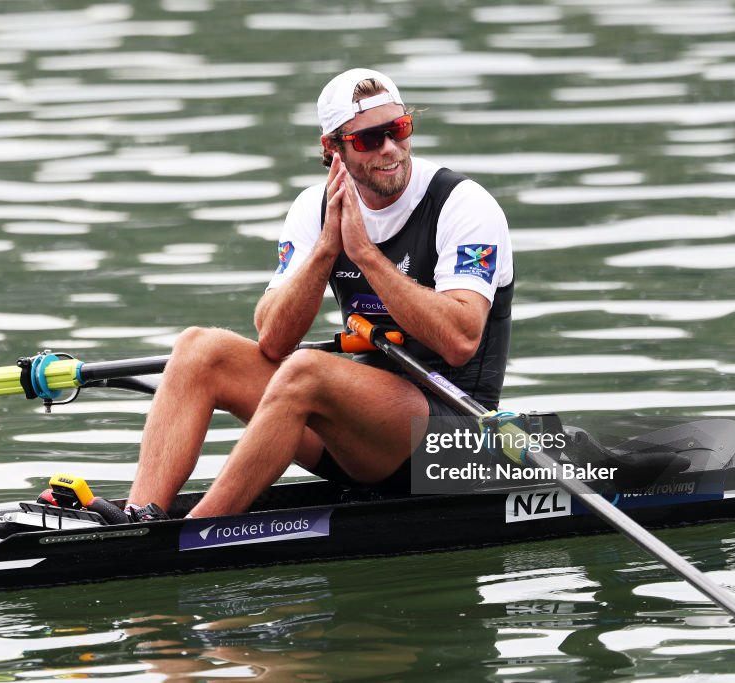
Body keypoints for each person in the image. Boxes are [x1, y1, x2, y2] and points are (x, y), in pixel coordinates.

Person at [124, 67, 514, 520]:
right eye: (369, 139)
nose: (390, 149)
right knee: (198, 348)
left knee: (308, 370)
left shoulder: (463, 205)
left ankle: (196, 532)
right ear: (333, 148)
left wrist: (366, 256)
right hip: (357, 438)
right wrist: (327, 249)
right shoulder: (315, 206)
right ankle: (139, 517)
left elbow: (461, 340)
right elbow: (272, 340)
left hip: (455, 440)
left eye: (399, 129)